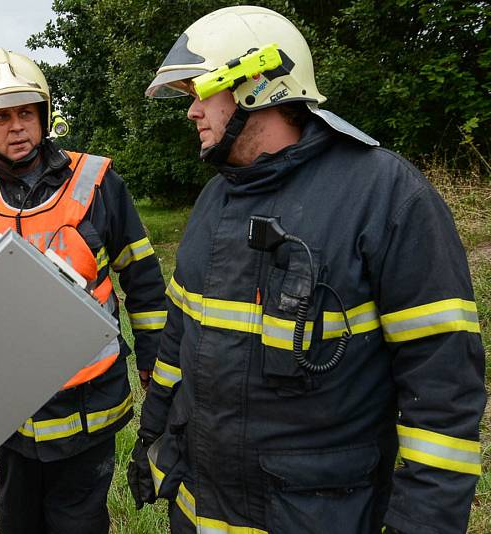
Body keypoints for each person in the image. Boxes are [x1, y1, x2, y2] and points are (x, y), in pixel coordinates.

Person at [128, 6, 486, 534]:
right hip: (202, 512)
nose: (191, 113)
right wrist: (150, 438)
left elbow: (442, 397)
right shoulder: (213, 201)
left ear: (256, 84)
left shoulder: (387, 199)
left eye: (201, 93)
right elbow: (179, 342)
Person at [0, 48, 167, 533]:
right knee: (16, 522)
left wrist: (153, 360)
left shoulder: (97, 181)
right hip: (8, 410)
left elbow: (142, 279)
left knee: (77, 523)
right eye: (0, 117)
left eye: (25, 113)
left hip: (89, 406)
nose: (16, 127)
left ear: (42, 115)